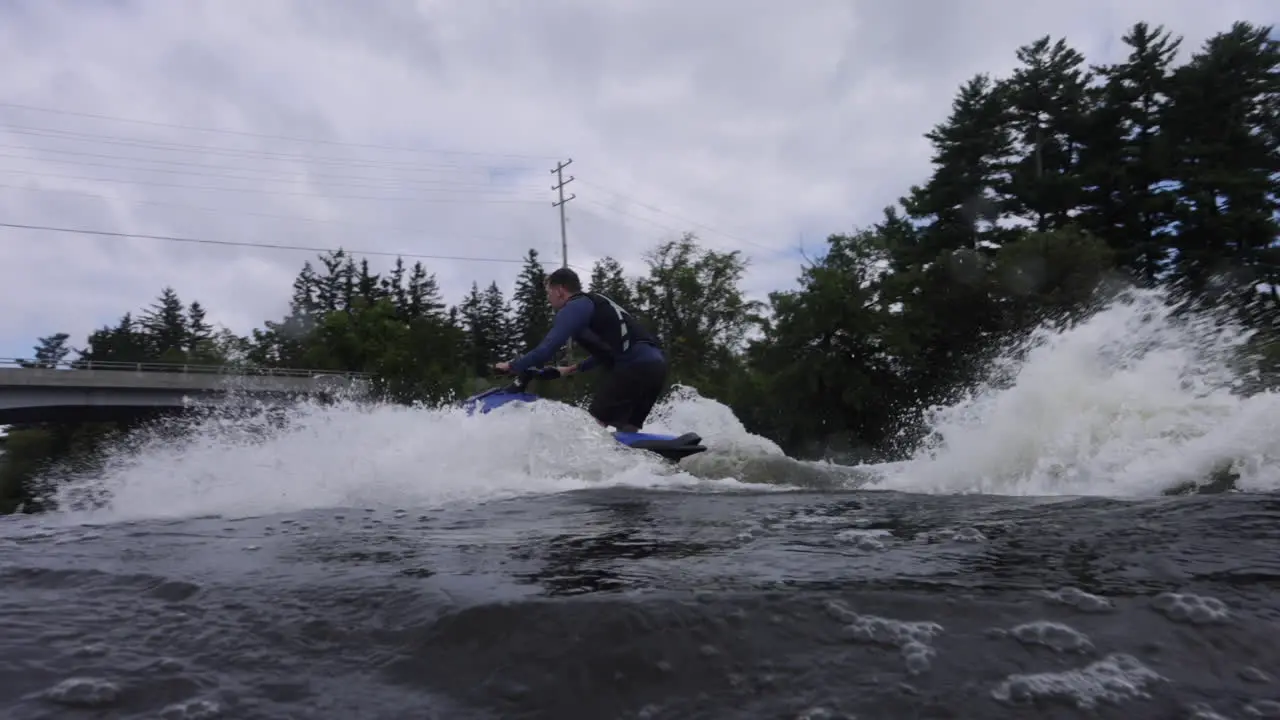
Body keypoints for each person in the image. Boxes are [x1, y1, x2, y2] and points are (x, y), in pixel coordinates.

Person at [494, 267, 667, 433]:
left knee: (591, 429)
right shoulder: (596, 302)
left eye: (549, 293)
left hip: (634, 366)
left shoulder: (575, 307)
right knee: (627, 429)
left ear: (559, 290)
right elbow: (608, 352)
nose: (549, 299)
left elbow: (545, 350)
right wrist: (574, 368)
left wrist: (511, 365)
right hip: (656, 367)